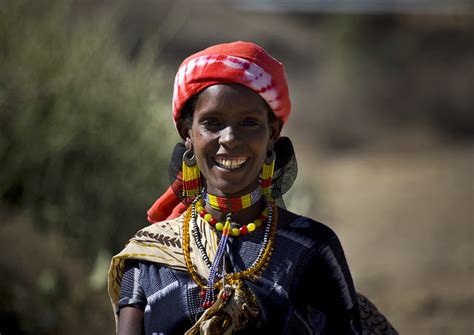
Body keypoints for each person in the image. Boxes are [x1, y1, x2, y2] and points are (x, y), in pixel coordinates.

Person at [108, 41, 397, 334]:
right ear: (188, 134)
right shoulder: (148, 256)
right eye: (212, 122)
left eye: (249, 122)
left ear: (272, 134)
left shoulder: (312, 249)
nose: (230, 138)